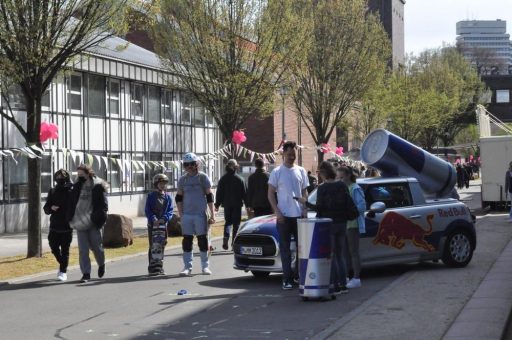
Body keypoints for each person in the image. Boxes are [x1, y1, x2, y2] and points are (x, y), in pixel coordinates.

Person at [298, 161, 354, 294]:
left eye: (320, 173)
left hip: (329, 224)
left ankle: (335, 286)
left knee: (332, 255)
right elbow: (348, 203)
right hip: (342, 223)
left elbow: (320, 207)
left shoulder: (323, 188)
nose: (319, 176)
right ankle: (343, 285)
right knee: (341, 255)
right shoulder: (341, 185)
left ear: (324, 173)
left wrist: (305, 202)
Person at [268, 141, 309, 290]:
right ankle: (287, 278)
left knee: (301, 249)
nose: (292, 156)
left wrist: (304, 208)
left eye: (294, 154)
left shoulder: (301, 171)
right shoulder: (277, 172)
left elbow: (305, 192)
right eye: (289, 154)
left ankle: (298, 275)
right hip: (283, 217)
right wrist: (277, 211)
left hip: (299, 216)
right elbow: (270, 194)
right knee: (285, 249)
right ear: (283, 153)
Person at [176, 152, 216, 276]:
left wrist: (213, 215)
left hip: (200, 214)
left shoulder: (202, 177)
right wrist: (181, 214)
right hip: (187, 215)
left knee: (202, 240)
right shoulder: (183, 179)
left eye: (191, 164)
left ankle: (205, 266)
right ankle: (187, 267)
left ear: (196, 164)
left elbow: (209, 196)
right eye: (186, 164)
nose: (189, 167)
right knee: (187, 241)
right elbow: (179, 198)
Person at [68, 164, 108, 283]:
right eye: (78, 174)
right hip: (80, 221)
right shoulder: (76, 186)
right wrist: (69, 217)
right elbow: (71, 202)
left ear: (88, 173)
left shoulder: (98, 185)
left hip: (94, 221)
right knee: (83, 250)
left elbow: (104, 205)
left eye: (82, 174)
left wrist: (101, 217)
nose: (79, 176)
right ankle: (86, 273)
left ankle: (101, 264)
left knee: (97, 248)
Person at [337, 166, 366, 289]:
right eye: (338, 177)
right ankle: (346, 276)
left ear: (348, 176)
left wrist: (348, 213)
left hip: (353, 224)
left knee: (353, 251)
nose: (340, 180)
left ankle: (356, 278)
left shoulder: (355, 188)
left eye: (341, 177)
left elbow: (362, 206)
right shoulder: (342, 188)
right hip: (344, 224)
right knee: (344, 253)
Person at [43, 169, 73, 281]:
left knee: (65, 249)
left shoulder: (71, 190)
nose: (60, 178)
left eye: (62, 176)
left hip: (67, 225)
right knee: (53, 247)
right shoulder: (53, 190)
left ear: (66, 177)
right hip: (55, 224)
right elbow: (46, 207)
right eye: (58, 176)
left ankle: (63, 271)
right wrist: (51, 208)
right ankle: (63, 264)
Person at [215, 159, 248, 250]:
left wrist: (217, 204)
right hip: (237, 205)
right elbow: (244, 194)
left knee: (228, 223)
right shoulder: (240, 179)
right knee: (236, 224)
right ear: (235, 168)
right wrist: (248, 205)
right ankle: (234, 243)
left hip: (226, 205)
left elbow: (219, 193)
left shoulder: (223, 179)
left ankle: (225, 240)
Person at [145, 173, 174, 275]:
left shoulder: (168, 197)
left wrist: (164, 219)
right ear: (156, 184)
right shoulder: (151, 196)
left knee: (161, 244)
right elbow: (147, 210)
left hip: (163, 225)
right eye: (161, 183)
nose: (163, 185)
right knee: (153, 245)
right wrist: (153, 219)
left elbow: (170, 211)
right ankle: (152, 268)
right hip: (152, 225)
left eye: (164, 183)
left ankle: (160, 267)